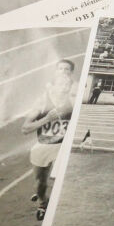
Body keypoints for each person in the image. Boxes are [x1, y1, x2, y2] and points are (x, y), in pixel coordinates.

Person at [20, 59, 77, 213]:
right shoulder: (43, 101)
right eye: (60, 69)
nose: (63, 72)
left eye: (67, 69)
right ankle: (42, 201)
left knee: (62, 179)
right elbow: (25, 129)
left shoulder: (75, 99)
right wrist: (46, 119)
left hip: (63, 147)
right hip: (44, 145)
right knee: (40, 182)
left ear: (71, 76)